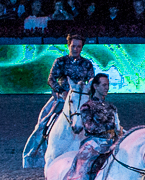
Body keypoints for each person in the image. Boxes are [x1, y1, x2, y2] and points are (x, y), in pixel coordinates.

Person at [52, 73, 120, 180]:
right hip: (94, 144)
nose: (106, 87)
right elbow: (89, 127)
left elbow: (117, 126)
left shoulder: (111, 107)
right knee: (81, 178)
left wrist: (119, 134)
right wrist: (107, 132)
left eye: (107, 85)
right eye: (103, 84)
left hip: (111, 142)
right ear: (95, 87)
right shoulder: (86, 107)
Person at [22, 33, 95, 167]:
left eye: (79, 47)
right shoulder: (60, 62)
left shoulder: (87, 64)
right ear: (69, 46)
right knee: (43, 122)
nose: (76, 49)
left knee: (97, 121)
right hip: (61, 98)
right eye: (73, 46)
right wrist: (62, 92)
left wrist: (86, 92)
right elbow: (51, 79)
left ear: (82, 48)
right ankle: (32, 153)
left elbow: (91, 81)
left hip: (81, 99)